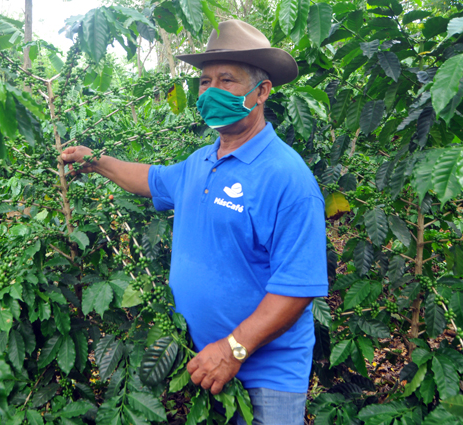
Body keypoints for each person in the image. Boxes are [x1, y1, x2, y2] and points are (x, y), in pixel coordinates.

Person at [61, 20, 328, 425]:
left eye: (227, 80)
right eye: (205, 82)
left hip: (264, 376)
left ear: (262, 92)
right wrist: (95, 162)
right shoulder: (201, 161)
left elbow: (297, 288)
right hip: (205, 363)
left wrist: (233, 349)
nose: (211, 91)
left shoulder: (287, 178)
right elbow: (151, 179)